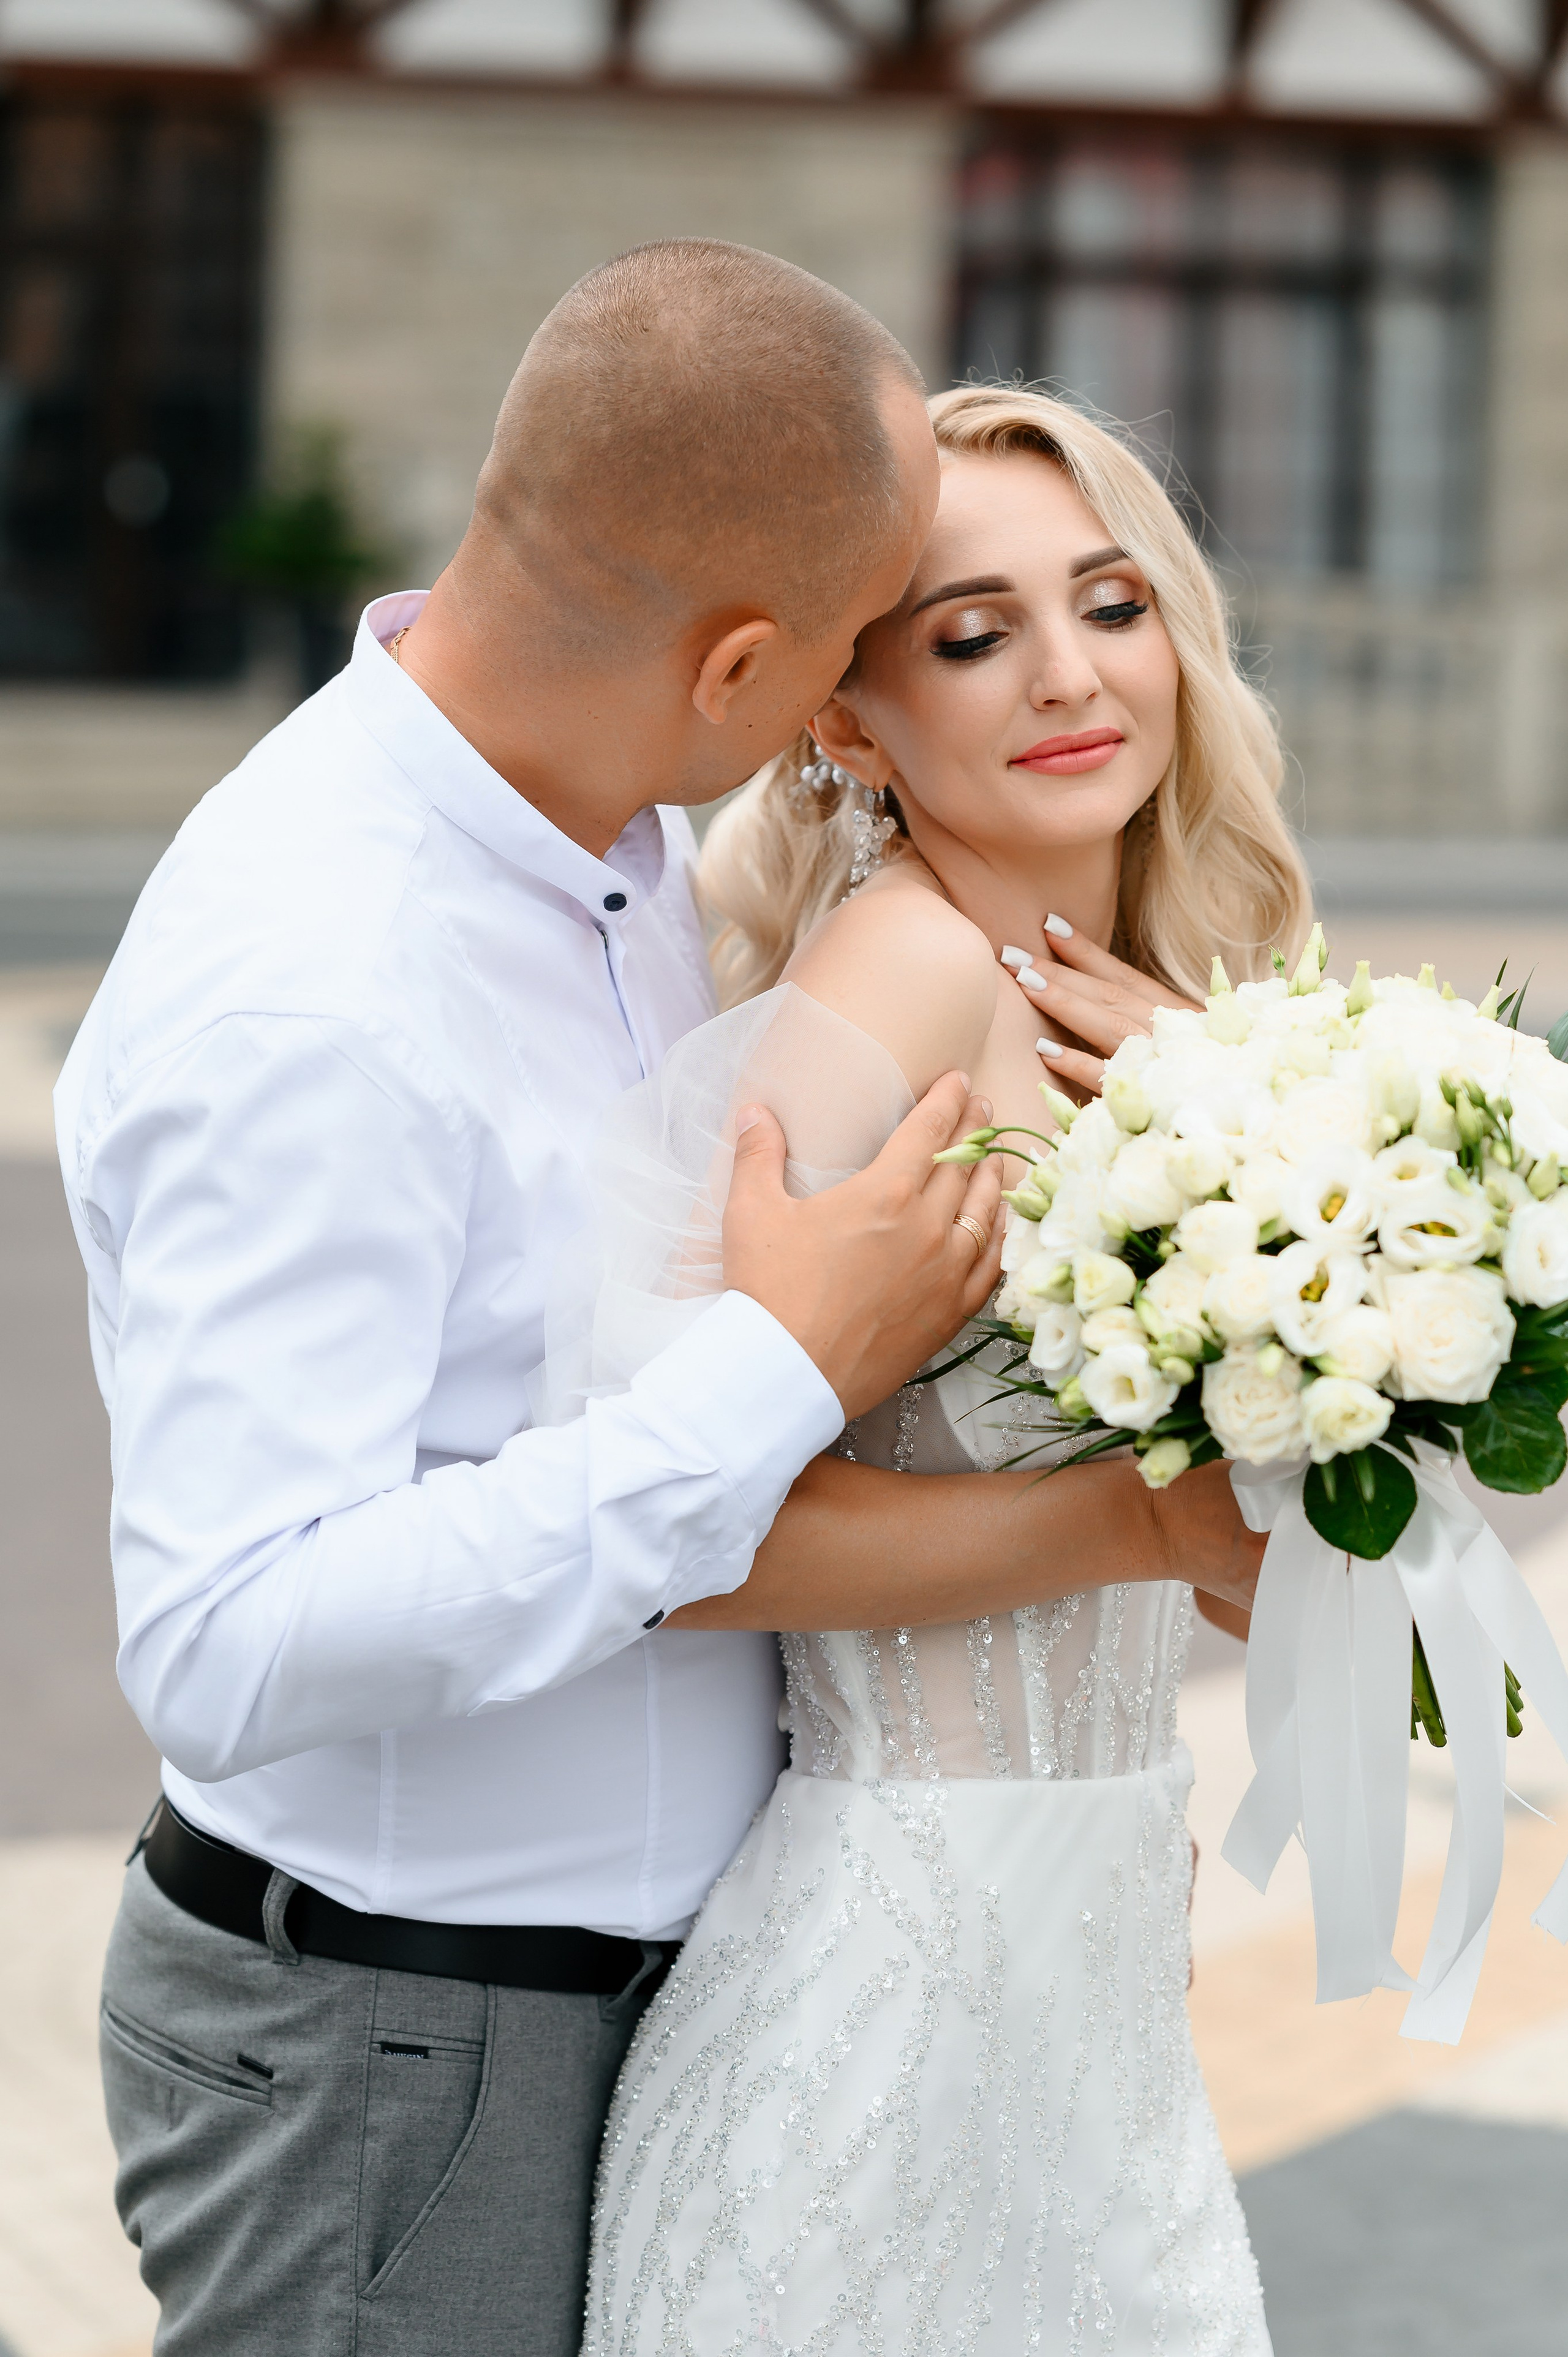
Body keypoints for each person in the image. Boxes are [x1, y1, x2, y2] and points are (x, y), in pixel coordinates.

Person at [56, 246, 1264, 2357]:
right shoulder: (320, 985)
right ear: (757, 682)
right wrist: (788, 1371)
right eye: (891, 644)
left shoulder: (613, 858)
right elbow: (227, 1638)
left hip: (732, 1972)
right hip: (397, 2030)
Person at [582, 384, 1311, 2354]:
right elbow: (668, 1540)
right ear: (845, 716)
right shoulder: (895, 982)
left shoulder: (1160, 1023)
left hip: (1090, 1979)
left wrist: (1261, 1146)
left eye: (1114, 603)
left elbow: (1258, 1546)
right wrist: (1128, 1526)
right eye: (974, 635)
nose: (1070, 677)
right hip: (886, 1987)